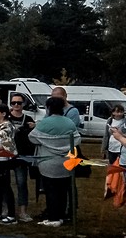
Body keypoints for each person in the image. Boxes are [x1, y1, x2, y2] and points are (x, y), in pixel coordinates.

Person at [29, 96, 80, 227]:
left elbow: (32, 138)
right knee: (63, 191)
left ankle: (53, 218)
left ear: (48, 108)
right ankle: (61, 216)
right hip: (66, 163)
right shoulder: (69, 122)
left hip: (48, 162)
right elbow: (77, 139)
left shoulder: (44, 123)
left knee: (51, 191)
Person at [7, 92, 37, 222]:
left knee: (21, 183)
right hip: (6, 154)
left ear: (23, 104)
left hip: (22, 155)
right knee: (4, 183)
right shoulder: (5, 117)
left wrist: (34, 127)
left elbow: (34, 136)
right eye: (13, 103)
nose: (16, 105)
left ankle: (23, 211)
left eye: (19, 103)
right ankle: (5, 209)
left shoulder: (28, 119)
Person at [102, 103, 126, 204]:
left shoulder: (124, 121)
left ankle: (119, 188)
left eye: (120, 111)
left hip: (120, 148)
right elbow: (106, 135)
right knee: (111, 169)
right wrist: (104, 148)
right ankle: (110, 187)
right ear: (112, 112)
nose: (118, 113)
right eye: (116, 111)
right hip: (112, 148)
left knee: (120, 171)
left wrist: (120, 136)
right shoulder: (109, 120)